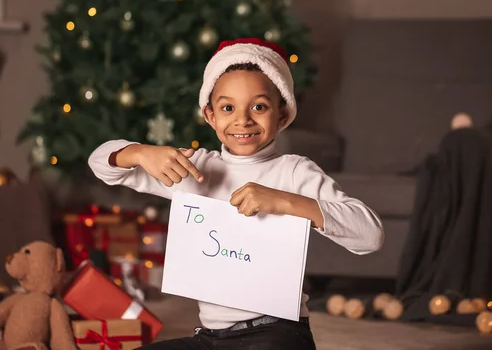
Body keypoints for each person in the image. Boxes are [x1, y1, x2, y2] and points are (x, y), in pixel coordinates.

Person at [88, 38, 384, 350]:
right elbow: (99, 162)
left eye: (259, 106)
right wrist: (138, 153)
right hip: (213, 338)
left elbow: (370, 235)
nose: (243, 119)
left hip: (277, 333)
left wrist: (285, 201)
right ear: (210, 115)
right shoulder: (193, 166)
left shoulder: (294, 172)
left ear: (282, 115)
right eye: (228, 107)